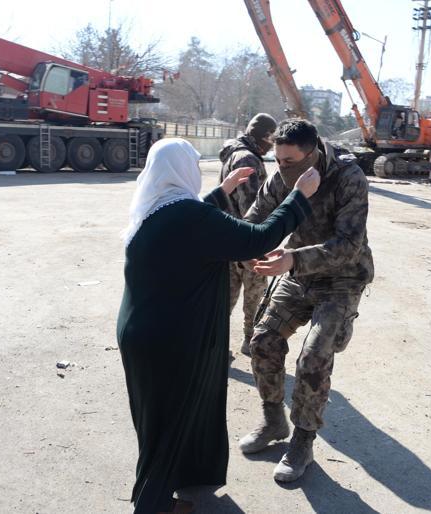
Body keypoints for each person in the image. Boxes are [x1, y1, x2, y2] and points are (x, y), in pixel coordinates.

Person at [116, 137, 320, 514]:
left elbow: (191, 222)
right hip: (168, 340)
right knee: (169, 423)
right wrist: (299, 197)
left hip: (141, 332)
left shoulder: (154, 208)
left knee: (158, 419)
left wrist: (223, 192)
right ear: (182, 170)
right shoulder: (188, 217)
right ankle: (153, 506)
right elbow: (256, 238)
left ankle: (173, 489)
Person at [239, 119, 374, 483]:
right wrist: (248, 246)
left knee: (314, 355)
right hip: (298, 272)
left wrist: (293, 259)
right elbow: (257, 216)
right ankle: (273, 420)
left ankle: (302, 440)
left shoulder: (349, 177)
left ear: (312, 153)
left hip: (341, 279)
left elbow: (349, 245)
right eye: (278, 160)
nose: (282, 168)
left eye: (290, 161)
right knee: (262, 340)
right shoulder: (281, 173)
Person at [218, 113, 277, 356]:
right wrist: (256, 247)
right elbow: (251, 209)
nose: (272, 145)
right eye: (271, 140)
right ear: (264, 137)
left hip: (226, 239)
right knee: (254, 296)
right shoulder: (248, 160)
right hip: (245, 242)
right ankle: (249, 340)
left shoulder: (232, 153)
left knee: (225, 299)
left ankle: (215, 344)